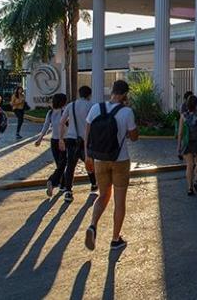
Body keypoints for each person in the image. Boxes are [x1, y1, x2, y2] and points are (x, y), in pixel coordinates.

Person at [83, 80, 138, 251]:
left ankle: (92, 225)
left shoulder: (96, 108)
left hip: (99, 159)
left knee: (103, 195)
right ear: (124, 95)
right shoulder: (127, 112)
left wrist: (87, 156)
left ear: (112, 91)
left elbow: (87, 134)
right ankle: (115, 239)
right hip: (120, 160)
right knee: (119, 201)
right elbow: (134, 137)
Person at [59, 85, 96, 203]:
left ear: (79, 94)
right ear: (89, 95)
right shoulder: (92, 106)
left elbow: (61, 122)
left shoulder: (71, 105)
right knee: (89, 162)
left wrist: (61, 138)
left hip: (71, 139)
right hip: (85, 140)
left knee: (70, 165)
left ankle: (68, 191)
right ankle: (94, 184)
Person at [35, 93, 67, 197]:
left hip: (54, 141)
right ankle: (52, 181)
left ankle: (62, 185)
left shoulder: (50, 113)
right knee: (62, 165)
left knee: (60, 165)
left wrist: (40, 139)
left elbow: (45, 127)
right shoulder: (65, 112)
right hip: (63, 141)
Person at [177, 94, 197, 196]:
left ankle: (190, 188)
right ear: (196, 104)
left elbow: (180, 133)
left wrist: (178, 146)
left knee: (189, 165)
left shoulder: (183, 116)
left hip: (187, 143)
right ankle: (196, 181)